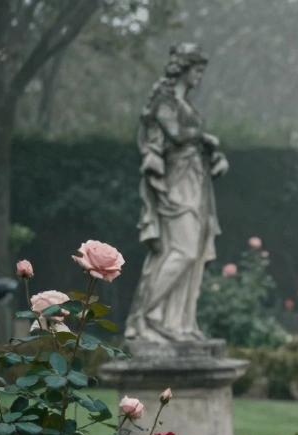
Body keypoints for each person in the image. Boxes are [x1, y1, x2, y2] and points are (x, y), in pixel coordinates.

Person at [125, 43, 229, 343]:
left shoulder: (184, 104)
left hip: (195, 181)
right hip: (175, 183)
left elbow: (189, 138)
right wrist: (207, 138)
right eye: (196, 69)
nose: (199, 76)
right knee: (182, 251)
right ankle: (144, 317)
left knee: (193, 255)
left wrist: (213, 151)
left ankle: (177, 323)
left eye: (201, 70)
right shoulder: (164, 101)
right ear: (182, 69)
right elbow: (177, 134)